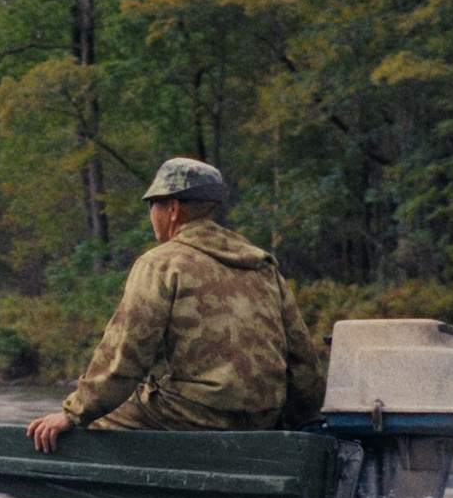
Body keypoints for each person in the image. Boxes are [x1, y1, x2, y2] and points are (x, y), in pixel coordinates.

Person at [28, 158, 324, 453]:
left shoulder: (162, 263)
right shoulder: (262, 266)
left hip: (194, 414)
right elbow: (304, 364)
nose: (151, 215)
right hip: (263, 419)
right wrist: (296, 426)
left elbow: (125, 357)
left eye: (152, 205)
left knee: (91, 425)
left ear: (172, 208)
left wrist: (73, 413)